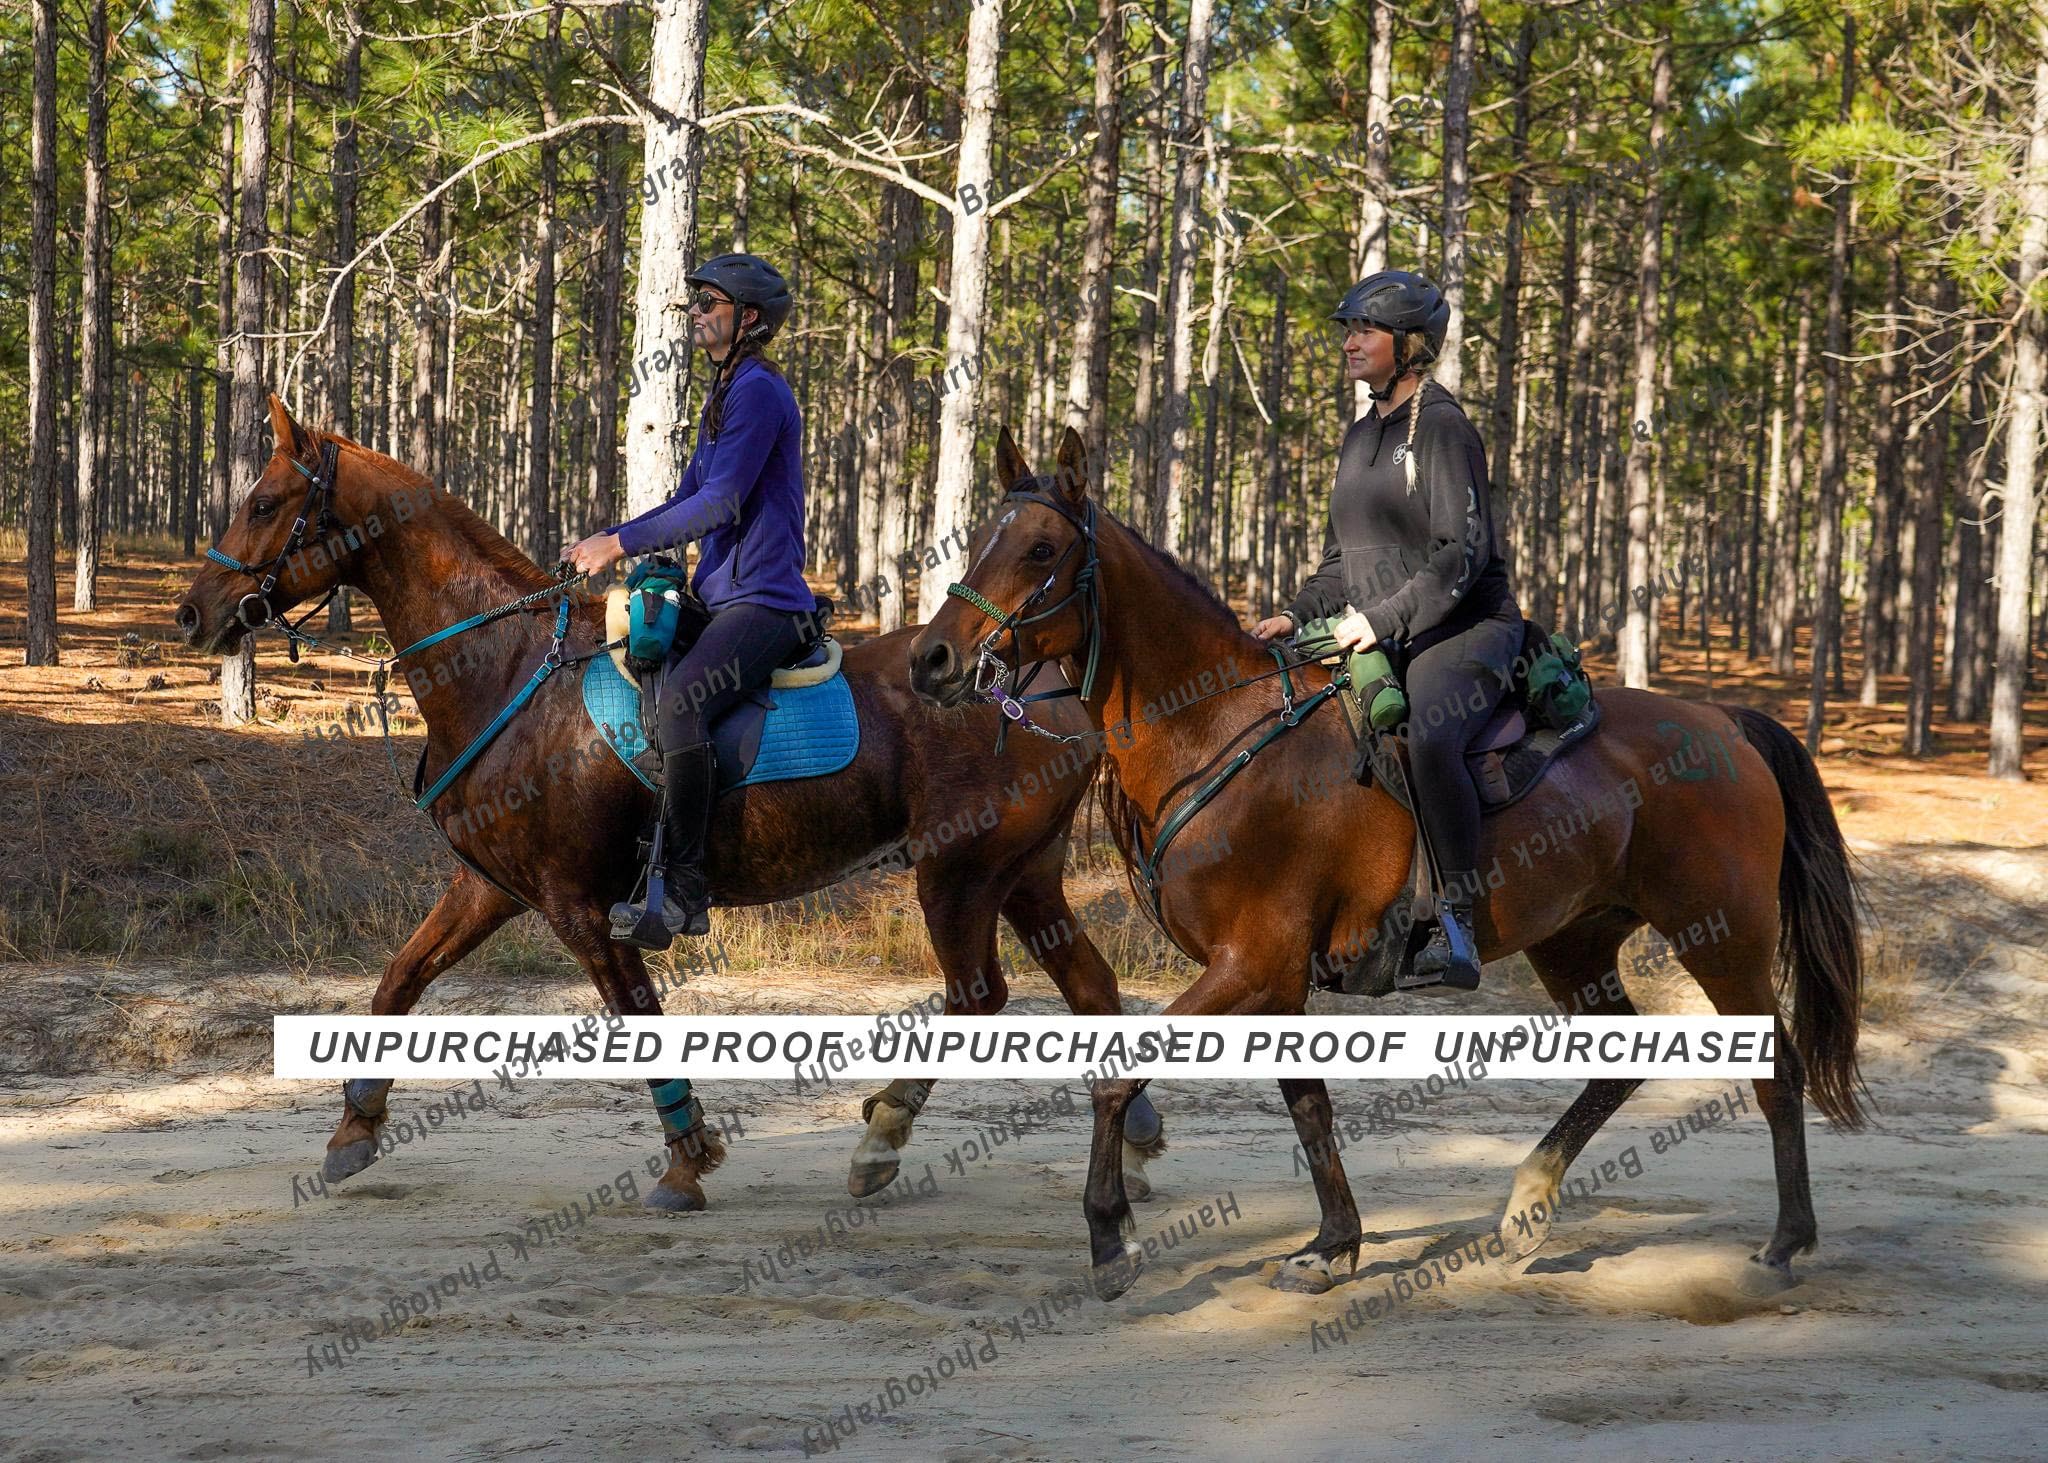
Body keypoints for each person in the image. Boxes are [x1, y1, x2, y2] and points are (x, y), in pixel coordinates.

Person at [1251, 270, 1521, 992]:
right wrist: (1298, 613)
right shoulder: (1361, 434)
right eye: (1348, 330)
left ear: (1410, 345)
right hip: (1382, 629)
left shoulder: (1443, 427)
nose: (1350, 343)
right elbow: (1343, 561)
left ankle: (1455, 925)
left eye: (1365, 330)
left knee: (1429, 734)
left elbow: (1461, 555)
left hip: (1465, 628)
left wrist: (1378, 620)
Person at [561, 253, 816, 950]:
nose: (696, 314)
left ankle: (688, 885)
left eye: (709, 303)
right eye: (695, 303)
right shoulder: (726, 391)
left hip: (766, 603)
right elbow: (686, 499)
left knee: (682, 704)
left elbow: (722, 501)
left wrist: (619, 542)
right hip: (721, 596)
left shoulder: (758, 390)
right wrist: (615, 541)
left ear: (748, 318)